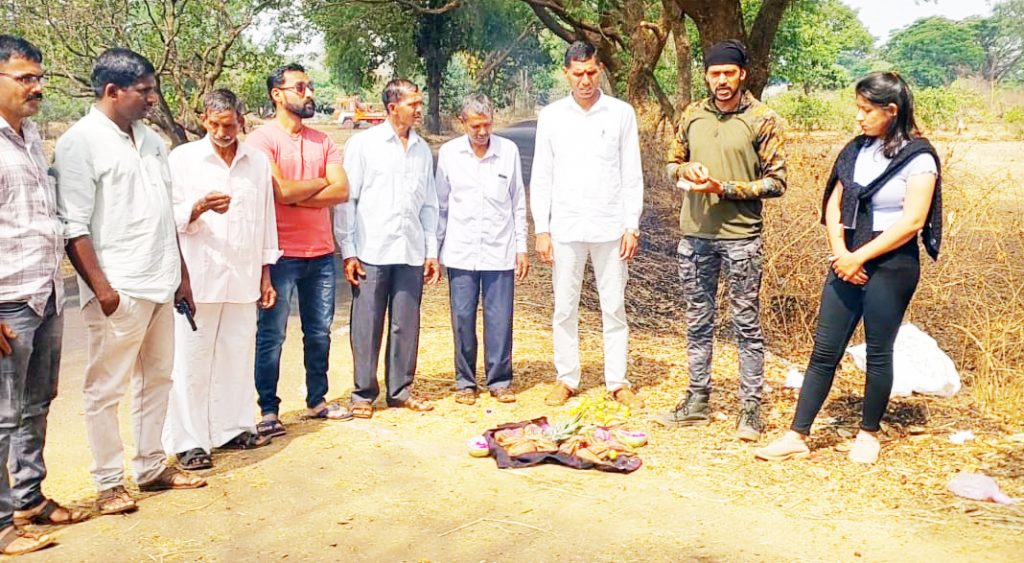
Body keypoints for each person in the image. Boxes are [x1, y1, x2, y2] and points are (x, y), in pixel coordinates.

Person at [756, 72, 941, 464]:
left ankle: (869, 433)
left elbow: (912, 222)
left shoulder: (919, 157)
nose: (858, 118)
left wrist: (860, 257)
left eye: (866, 110)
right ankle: (797, 433)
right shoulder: (856, 149)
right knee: (824, 349)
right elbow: (834, 203)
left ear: (891, 112)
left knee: (878, 350)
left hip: (892, 265)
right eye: (857, 108)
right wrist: (841, 252)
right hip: (846, 259)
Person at [56, 48, 206, 517]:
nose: (152, 98)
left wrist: (181, 276)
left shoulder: (151, 141)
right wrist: (103, 289)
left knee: (158, 378)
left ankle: (151, 467)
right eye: (143, 90)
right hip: (119, 289)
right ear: (111, 91)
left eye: (151, 88)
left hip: (161, 282)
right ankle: (107, 482)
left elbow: (164, 215)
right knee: (106, 389)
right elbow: (73, 226)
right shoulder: (80, 143)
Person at [658, 40, 787, 441]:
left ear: (742, 75)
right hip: (695, 237)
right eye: (715, 74)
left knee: (745, 325)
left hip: (741, 240)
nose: (722, 81)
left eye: (729, 73)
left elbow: (777, 182)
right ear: (707, 76)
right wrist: (685, 171)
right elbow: (669, 165)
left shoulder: (764, 120)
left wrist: (724, 186)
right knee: (698, 322)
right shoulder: (692, 115)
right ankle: (697, 399)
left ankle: (750, 408)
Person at [161, 89, 281, 470]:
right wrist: (197, 207)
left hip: (243, 275)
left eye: (229, 125)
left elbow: (265, 222)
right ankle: (189, 441)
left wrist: (265, 276)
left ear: (241, 121)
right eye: (215, 125)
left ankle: (234, 427)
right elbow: (169, 218)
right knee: (192, 362)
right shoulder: (183, 160)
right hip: (198, 276)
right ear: (203, 121)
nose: (222, 132)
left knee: (237, 353)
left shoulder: (257, 162)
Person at [0, 34, 83, 556]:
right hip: (7, 301)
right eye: (25, 78)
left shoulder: (29, 136)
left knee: (36, 403)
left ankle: (29, 496)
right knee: (1, 416)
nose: (38, 87)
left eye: (39, 77)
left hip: (45, 293)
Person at [530, 41, 644, 409]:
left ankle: (617, 380)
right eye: (578, 73)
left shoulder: (620, 113)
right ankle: (566, 377)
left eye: (591, 72)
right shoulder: (551, 116)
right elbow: (542, 175)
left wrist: (632, 225)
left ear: (600, 70)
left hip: (610, 225)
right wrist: (541, 229)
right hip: (565, 225)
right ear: (566, 73)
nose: (585, 80)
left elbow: (632, 173)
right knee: (564, 306)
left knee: (614, 306)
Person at [247, 63, 351, 438]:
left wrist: (301, 190)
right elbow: (279, 192)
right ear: (278, 94)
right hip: (279, 255)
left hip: (321, 254)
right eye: (300, 87)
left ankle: (317, 400)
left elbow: (341, 191)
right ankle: (268, 410)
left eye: (309, 87)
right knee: (271, 335)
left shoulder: (323, 141)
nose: (309, 94)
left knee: (319, 332)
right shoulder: (261, 141)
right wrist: (318, 185)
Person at [335, 79, 440, 419]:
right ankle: (363, 393)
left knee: (405, 324)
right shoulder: (363, 145)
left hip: (409, 249)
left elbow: (429, 205)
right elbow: (346, 201)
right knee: (368, 322)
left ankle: (400, 390)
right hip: (371, 249)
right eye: (413, 103)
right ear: (393, 107)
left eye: (420, 102)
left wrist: (430, 251)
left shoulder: (422, 149)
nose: (419, 109)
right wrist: (348, 250)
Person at [435, 93, 528, 405]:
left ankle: (500, 380)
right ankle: (465, 382)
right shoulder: (449, 154)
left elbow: (517, 202)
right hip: (460, 251)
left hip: (499, 250)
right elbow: (441, 206)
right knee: (462, 318)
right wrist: (433, 251)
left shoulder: (508, 151)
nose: (482, 132)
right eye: (475, 125)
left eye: (487, 124)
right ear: (462, 123)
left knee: (499, 318)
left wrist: (521, 248)